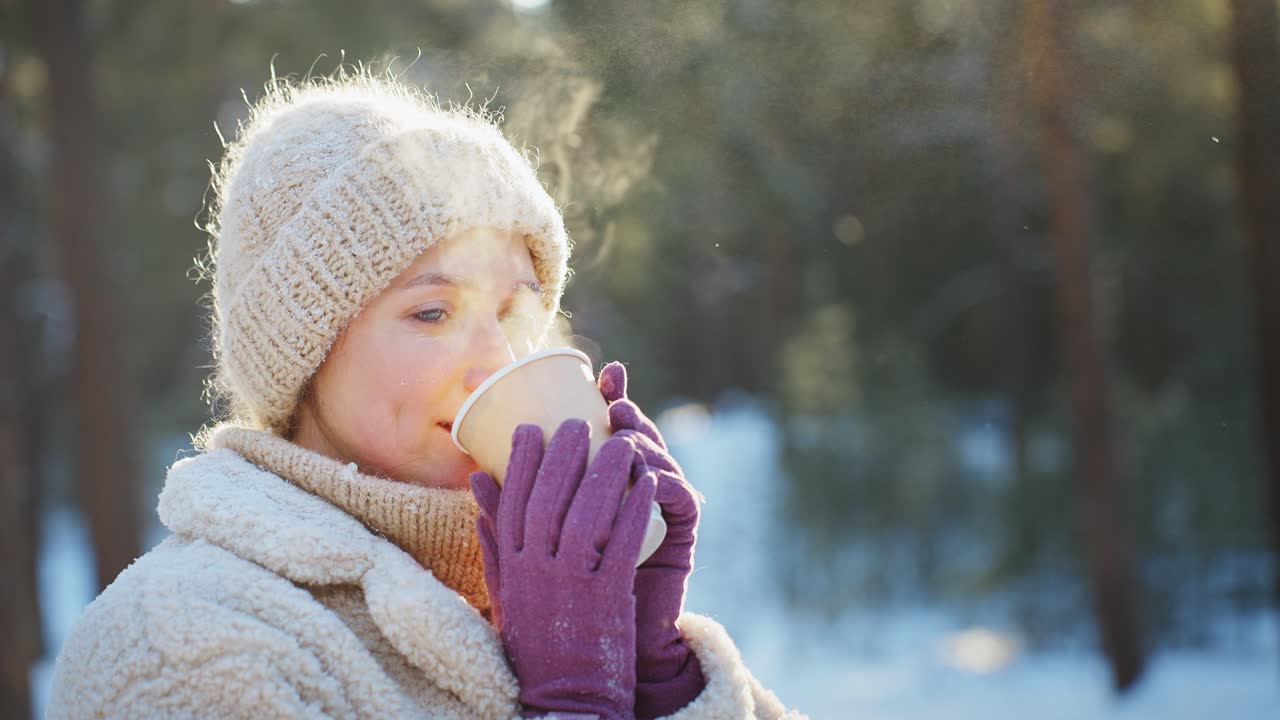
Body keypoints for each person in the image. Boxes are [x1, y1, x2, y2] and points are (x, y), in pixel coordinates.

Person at [47, 69, 804, 720]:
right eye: (432, 312)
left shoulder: (540, 601)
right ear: (303, 354)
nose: (495, 360)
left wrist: (657, 677)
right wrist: (574, 701)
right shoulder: (183, 646)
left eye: (514, 312)